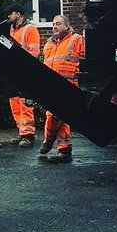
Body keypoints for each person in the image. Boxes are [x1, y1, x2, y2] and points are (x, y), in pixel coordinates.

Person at [40, 14, 85, 163]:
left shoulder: (76, 40)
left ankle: (50, 139)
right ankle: (64, 150)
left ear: (67, 26)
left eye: (58, 24)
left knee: (56, 115)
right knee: (57, 117)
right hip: (52, 88)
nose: (55, 26)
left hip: (69, 87)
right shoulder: (48, 45)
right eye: (53, 24)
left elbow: (85, 63)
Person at [6, 4, 42, 148]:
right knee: (15, 102)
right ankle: (22, 132)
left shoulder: (30, 29)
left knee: (25, 104)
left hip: (25, 72)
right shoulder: (12, 29)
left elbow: (34, 52)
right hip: (14, 72)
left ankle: (28, 135)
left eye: (10, 13)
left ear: (18, 14)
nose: (8, 16)